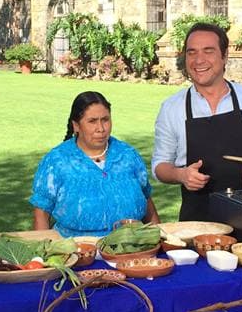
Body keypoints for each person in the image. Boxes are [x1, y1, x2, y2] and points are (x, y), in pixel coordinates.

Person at [152, 22, 242, 221]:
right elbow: (160, 166)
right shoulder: (172, 107)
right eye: (191, 52)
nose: (199, 60)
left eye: (208, 51)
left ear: (224, 56)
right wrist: (181, 175)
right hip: (197, 224)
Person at [31, 91, 160, 236]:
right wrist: (43, 253)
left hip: (130, 248)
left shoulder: (128, 155)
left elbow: (147, 199)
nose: (101, 128)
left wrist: (158, 238)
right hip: (76, 252)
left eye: (105, 120)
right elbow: (41, 214)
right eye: (92, 121)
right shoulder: (57, 161)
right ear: (76, 126)